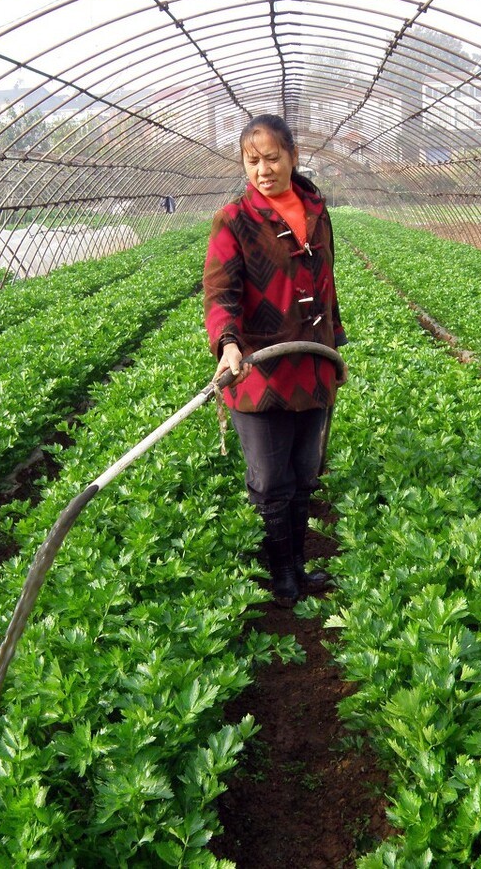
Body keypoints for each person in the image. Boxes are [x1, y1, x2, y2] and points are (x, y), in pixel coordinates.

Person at [202, 114, 347, 608]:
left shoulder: (317, 211)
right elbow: (220, 292)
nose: (262, 170)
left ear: (292, 157)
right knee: (269, 481)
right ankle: (281, 571)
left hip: (313, 365)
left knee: (304, 474)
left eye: (271, 158)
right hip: (259, 369)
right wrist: (228, 343)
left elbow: (327, 284)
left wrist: (335, 346)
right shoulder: (234, 220)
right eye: (252, 161)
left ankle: (299, 564)